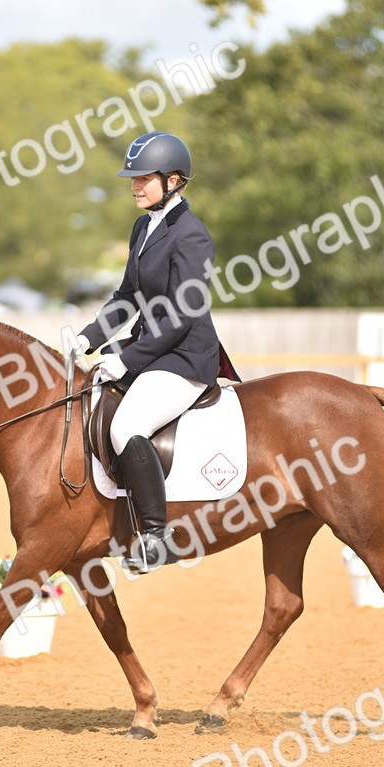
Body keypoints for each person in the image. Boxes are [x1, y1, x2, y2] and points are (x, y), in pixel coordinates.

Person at [73, 131, 239, 574]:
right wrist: (89, 338)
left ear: (174, 180)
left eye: (143, 178)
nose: (134, 185)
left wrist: (127, 360)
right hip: (152, 348)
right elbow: (127, 296)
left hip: (185, 358)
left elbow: (183, 314)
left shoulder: (191, 235)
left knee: (127, 426)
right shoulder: (143, 227)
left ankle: (155, 537)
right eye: (133, 178)